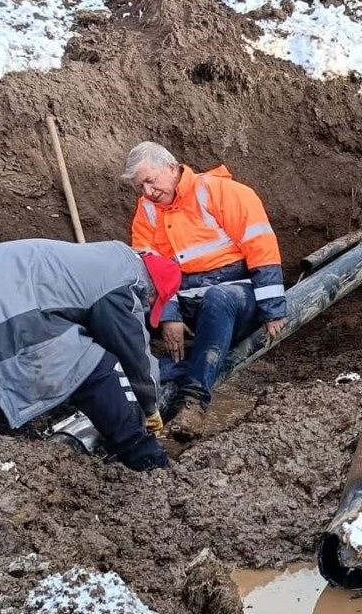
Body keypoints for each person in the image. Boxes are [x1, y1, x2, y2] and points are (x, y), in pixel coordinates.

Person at [0, 238, 181, 471]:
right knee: (94, 366)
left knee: (15, 352)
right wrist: (148, 405)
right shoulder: (127, 281)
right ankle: (143, 457)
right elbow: (132, 352)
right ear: (152, 293)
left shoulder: (84, 260)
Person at [123, 141, 286, 441]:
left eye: (150, 181)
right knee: (124, 306)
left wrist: (272, 308)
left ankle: (194, 401)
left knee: (218, 300)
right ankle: (137, 390)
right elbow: (149, 269)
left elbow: (261, 246)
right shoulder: (147, 210)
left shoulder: (222, 192)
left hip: (236, 294)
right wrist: (169, 315)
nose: (146, 192)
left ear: (171, 168)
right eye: (139, 187)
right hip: (185, 299)